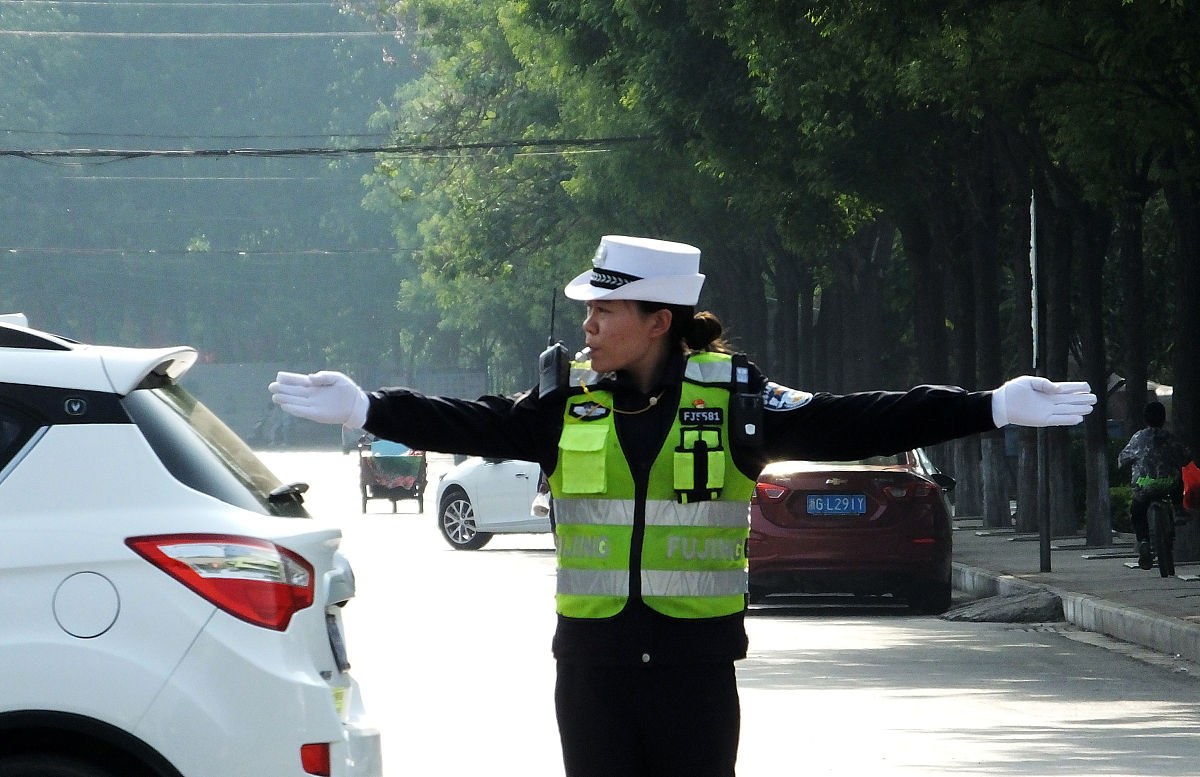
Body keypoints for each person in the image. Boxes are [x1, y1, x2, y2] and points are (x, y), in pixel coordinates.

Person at [269, 235, 1096, 777]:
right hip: (590, 669)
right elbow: (473, 420)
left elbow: (857, 416)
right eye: (587, 310)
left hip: (695, 671)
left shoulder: (737, 400)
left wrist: (986, 405)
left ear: (657, 319)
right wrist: (368, 407)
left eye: (604, 309)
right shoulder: (569, 402)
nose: (587, 325)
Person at [1118, 400, 1193, 570]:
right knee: (1177, 478)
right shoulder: (1170, 438)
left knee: (1137, 511)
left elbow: (1123, 459)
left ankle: (1144, 541)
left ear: (1145, 419)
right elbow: (1185, 458)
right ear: (1163, 418)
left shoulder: (1138, 438)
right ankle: (1179, 509)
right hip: (1168, 484)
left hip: (1144, 485)